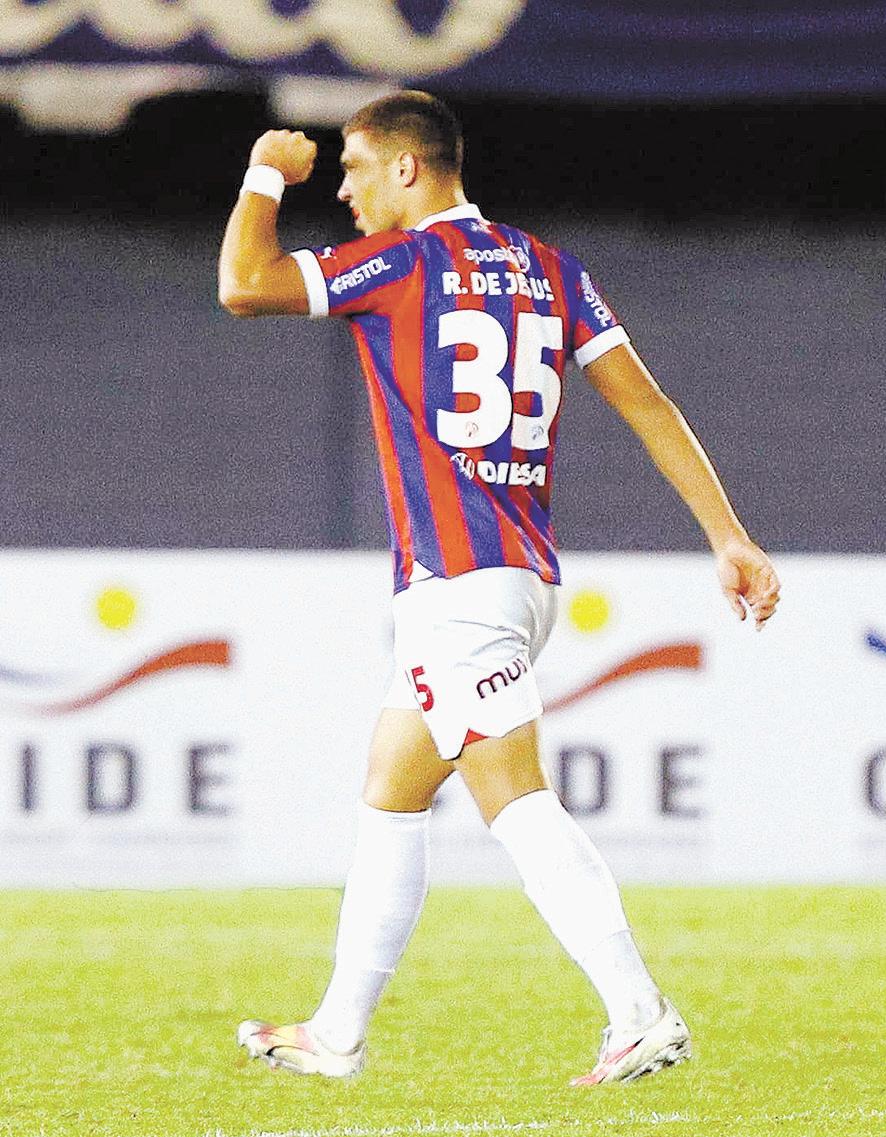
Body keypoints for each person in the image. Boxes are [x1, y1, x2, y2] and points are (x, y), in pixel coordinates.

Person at [218, 91, 780, 1086]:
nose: (342, 190)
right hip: (517, 573)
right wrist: (727, 533)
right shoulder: (549, 269)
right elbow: (648, 403)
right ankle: (337, 1031)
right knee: (392, 790)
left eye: (354, 168)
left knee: (514, 797)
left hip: (460, 584)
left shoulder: (398, 264)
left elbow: (242, 284)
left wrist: (267, 171)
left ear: (407, 168)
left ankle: (639, 1011)